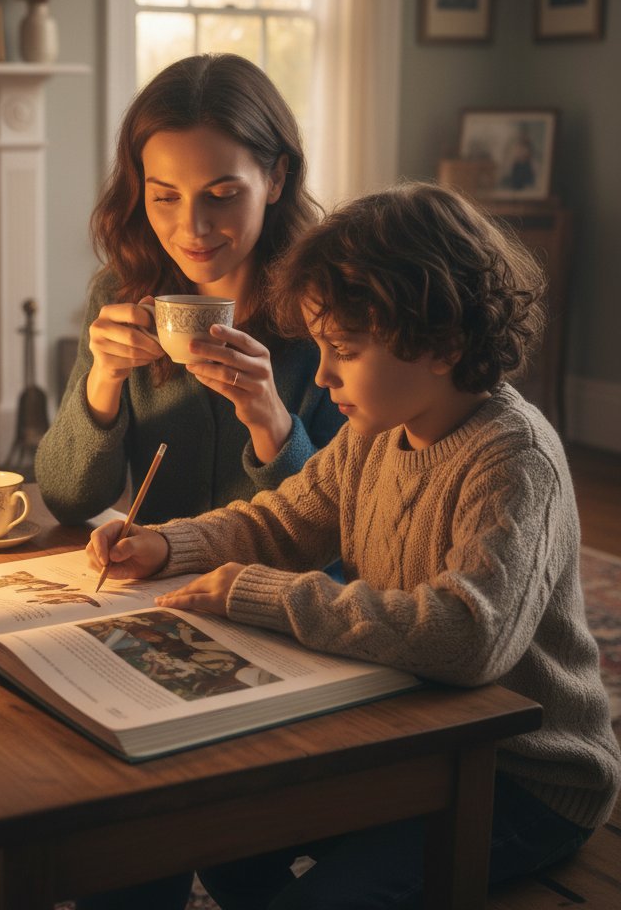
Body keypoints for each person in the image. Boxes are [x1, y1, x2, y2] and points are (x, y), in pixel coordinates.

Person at [85, 182, 621, 909]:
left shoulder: (515, 459)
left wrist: (260, 593)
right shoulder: (373, 430)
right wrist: (165, 545)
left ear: (443, 343)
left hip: (521, 778)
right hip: (414, 733)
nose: (325, 373)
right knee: (199, 826)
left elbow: (469, 638)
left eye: (343, 350)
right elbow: (278, 522)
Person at [35, 54, 344, 526]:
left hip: (283, 595)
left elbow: (344, 526)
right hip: (157, 586)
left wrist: (270, 421)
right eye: (165, 197)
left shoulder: (333, 306)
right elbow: (67, 500)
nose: (192, 228)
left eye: (222, 196)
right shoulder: (120, 292)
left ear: (276, 178)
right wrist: (104, 380)